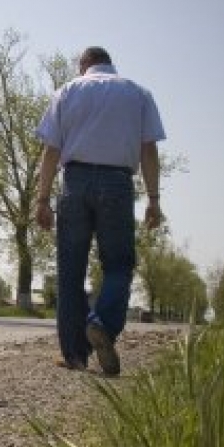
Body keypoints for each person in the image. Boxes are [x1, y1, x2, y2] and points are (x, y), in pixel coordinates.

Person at [34, 46, 165, 375]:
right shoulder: (138, 94)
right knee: (119, 264)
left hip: (75, 182)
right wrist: (153, 199)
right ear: (109, 62)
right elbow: (148, 150)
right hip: (117, 184)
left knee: (71, 270)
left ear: (84, 65)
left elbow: (51, 151)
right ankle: (103, 323)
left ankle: (75, 355)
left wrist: (42, 200)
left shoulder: (66, 92)